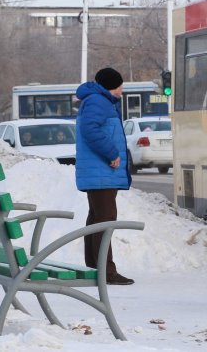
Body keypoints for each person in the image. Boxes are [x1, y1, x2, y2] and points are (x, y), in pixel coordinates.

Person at [74, 67, 135, 286]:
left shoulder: (97, 100)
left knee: (97, 217)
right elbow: (90, 129)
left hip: (99, 173)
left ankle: (94, 266)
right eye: (119, 86)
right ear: (111, 86)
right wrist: (112, 153)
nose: (121, 90)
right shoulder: (98, 102)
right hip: (101, 172)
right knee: (105, 218)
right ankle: (106, 271)